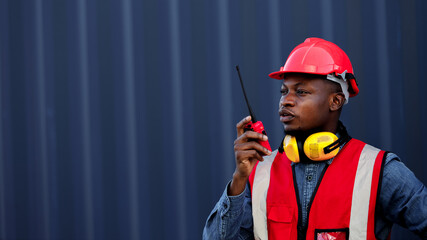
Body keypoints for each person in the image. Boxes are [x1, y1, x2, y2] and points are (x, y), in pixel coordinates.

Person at [203, 38, 427, 240]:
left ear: (336, 101)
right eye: (284, 91)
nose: (286, 101)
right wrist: (239, 180)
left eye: (301, 92)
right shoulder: (259, 171)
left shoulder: (378, 169)